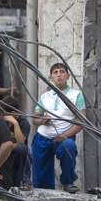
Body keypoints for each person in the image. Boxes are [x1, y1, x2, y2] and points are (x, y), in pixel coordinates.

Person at [32, 63, 86, 193]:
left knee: (68, 146)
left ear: (67, 76)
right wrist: (41, 121)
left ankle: (68, 182)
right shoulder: (45, 96)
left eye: (62, 71)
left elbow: (81, 120)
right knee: (41, 175)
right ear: (51, 77)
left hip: (62, 137)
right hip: (42, 137)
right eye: (55, 72)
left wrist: (65, 135)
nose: (59, 74)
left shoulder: (76, 95)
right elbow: (34, 118)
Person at [0, 95, 31, 201]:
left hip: (19, 162)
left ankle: (25, 179)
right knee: (11, 189)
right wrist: (10, 146)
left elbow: (21, 142)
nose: (1, 117)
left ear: (12, 113)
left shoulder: (23, 123)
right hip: (5, 161)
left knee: (24, 149)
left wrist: (15, 123)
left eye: (3, 115)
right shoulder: (1, 123)